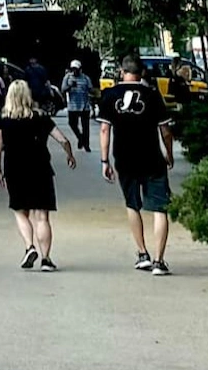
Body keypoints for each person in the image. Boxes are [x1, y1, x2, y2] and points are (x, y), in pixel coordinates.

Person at [98, 55, 176, 276]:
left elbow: (105, 130)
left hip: (125, 159)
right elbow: (166, 131)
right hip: (152, 158)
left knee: (133, 205)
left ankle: (142, 254)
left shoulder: (110, 95)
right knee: (160, 209)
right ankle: (159, 261)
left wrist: (104, 160)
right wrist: (168, 154)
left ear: (122, 72)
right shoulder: (152, 95)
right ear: (141, 73)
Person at [0, 78, 76, 270]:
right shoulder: (41, 118)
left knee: (20, 211)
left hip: (15, 170)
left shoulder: (2, 121)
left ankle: (29, 247)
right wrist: (69, 154)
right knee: (42, 217)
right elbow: (62, 139)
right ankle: (46, 259)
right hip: (41, 169)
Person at [60, 60, 95, 151]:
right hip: (72, 106)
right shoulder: (67, 77)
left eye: (76, 69)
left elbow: (91, 89)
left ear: (80, 69)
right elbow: (63, 89)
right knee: (72, 124)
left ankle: (86, 145)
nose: (74, 71)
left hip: (84, 106)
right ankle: (80, 138)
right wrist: (70, 86)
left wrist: (91, 92)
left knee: (85, 127)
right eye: (73, 69)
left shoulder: (85, 78)